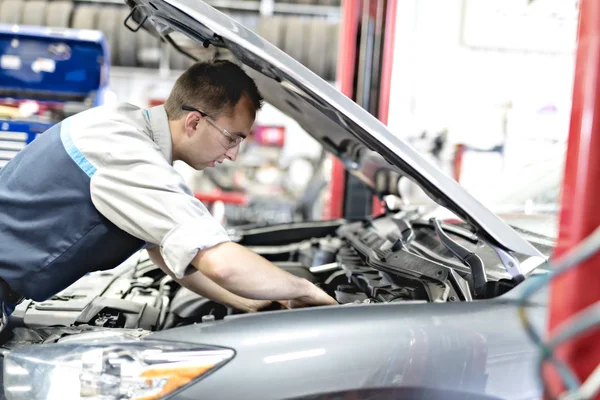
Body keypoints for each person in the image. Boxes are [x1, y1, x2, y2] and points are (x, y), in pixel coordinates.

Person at [0, 60, 337, 331]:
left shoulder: (123, 128)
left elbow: (169, 254)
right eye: (232, 138)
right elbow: (220, 263)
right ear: (193, 122)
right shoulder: (125, 151)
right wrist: (305, 290)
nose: (234, 154)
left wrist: (249, 304)